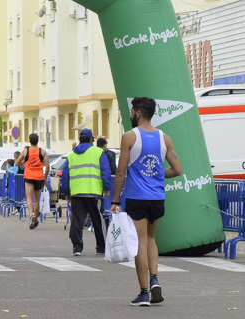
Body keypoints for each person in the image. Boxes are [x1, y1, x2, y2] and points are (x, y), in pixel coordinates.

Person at [110, 96, 183, 306]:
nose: (131, 114)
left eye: (132, 111)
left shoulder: (129, 137)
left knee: (140, 241)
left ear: (138, 113)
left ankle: (143, 293)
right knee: (151, 239)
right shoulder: (165, 138)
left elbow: (121, 172)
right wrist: (157, 176)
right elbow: (177, 169)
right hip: (157, 198)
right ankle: (154, 279)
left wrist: (115, 200)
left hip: (136, 197)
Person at [62, 128, 112, 257]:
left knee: (77, 220)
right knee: (97, 220)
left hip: (77, 192)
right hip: (93, 192)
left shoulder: (71, 155)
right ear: (91, 139)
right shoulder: (98, 152)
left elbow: (65, 175)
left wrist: (67, 192)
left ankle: (77, 247)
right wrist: (107, 188)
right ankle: (101, 247)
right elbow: (105, 172)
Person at [16, 133, 49, 229]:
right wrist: (45, 177)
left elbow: (17, 162)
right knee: (36, 199)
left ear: (29, 141)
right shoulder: (42, 152)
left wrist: (25, 162)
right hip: (39, 177)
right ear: (38, 141)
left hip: (29, 177)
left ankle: (31, 216)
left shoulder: (26, 151)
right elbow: (47, 166)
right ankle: (36, 218)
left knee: (29, 198)